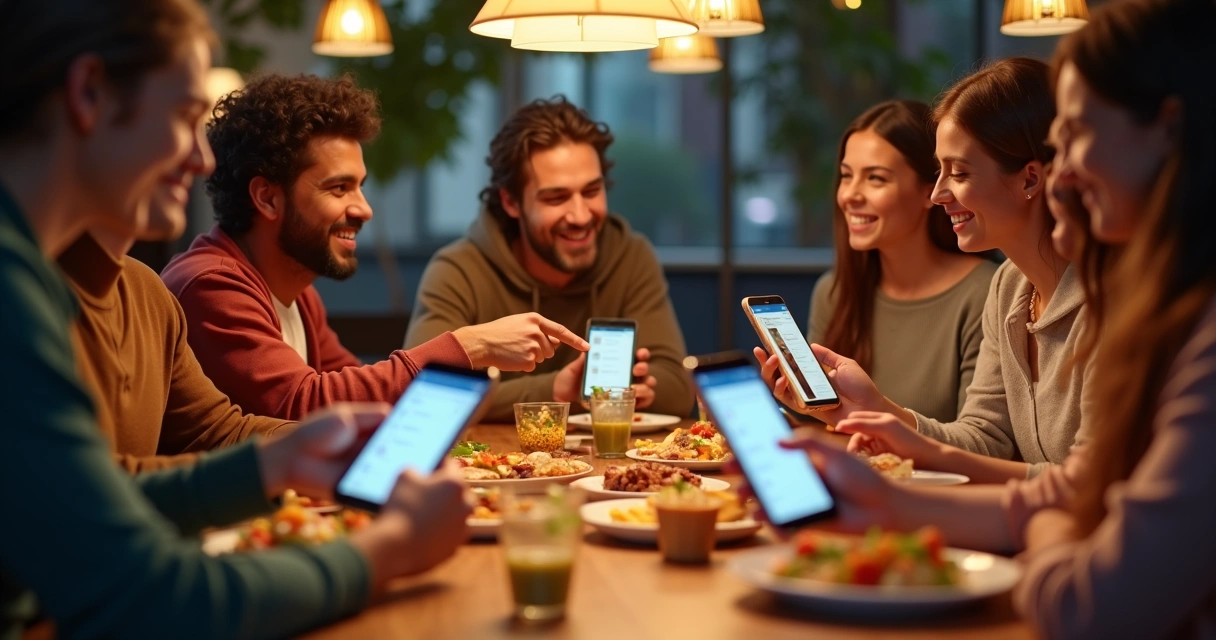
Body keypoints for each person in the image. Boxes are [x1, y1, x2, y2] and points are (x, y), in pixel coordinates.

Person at [0, 2, 471, 637]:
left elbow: (87, 507)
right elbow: (150, 593)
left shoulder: (101, 283)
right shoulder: (15, 287)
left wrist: (289, 459)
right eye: (183, 117)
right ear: (88, 93)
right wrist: (391, 551)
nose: (203, 162)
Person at [161, 75, 588, 421]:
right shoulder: (210, 284)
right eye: (339, 187)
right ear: (268, 198)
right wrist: (469, 347)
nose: (363, 209)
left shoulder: (295, 292)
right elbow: (303, 404)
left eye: (360, 187)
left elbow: (361, 395)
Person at [762, 58, 1089, 482]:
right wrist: (879, 411)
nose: (939, 194)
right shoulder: (1010, 289)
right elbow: (985, 437)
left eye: (960, 172)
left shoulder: (1108, 302)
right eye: (940, 171)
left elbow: (1088, 486)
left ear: (1030, 179)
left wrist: (914, 454)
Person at [404, 96, 695, 421]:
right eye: (556, 197)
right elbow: (425, 391)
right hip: (493, 466)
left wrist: (645, 389)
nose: (580, 216)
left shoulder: (631, 256)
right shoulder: (459, 270)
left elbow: (679, 389)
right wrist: (556, 391)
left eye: (591, 191)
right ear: (511, 202)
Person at [58, 122, 292, 471]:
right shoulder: (23, 291)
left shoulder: (146, 291)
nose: (204, 161)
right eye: (182, 119)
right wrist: (278, 465)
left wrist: (341, 444)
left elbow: (214, 432)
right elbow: (76, 487)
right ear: (89, 103)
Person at [808, 100, 996, 423]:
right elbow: (822, 425)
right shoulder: (834, 291)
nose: (850, 195)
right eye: (846, 175)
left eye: (876, 179)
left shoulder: (985, 293)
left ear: (930, 191)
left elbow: (980, 441)